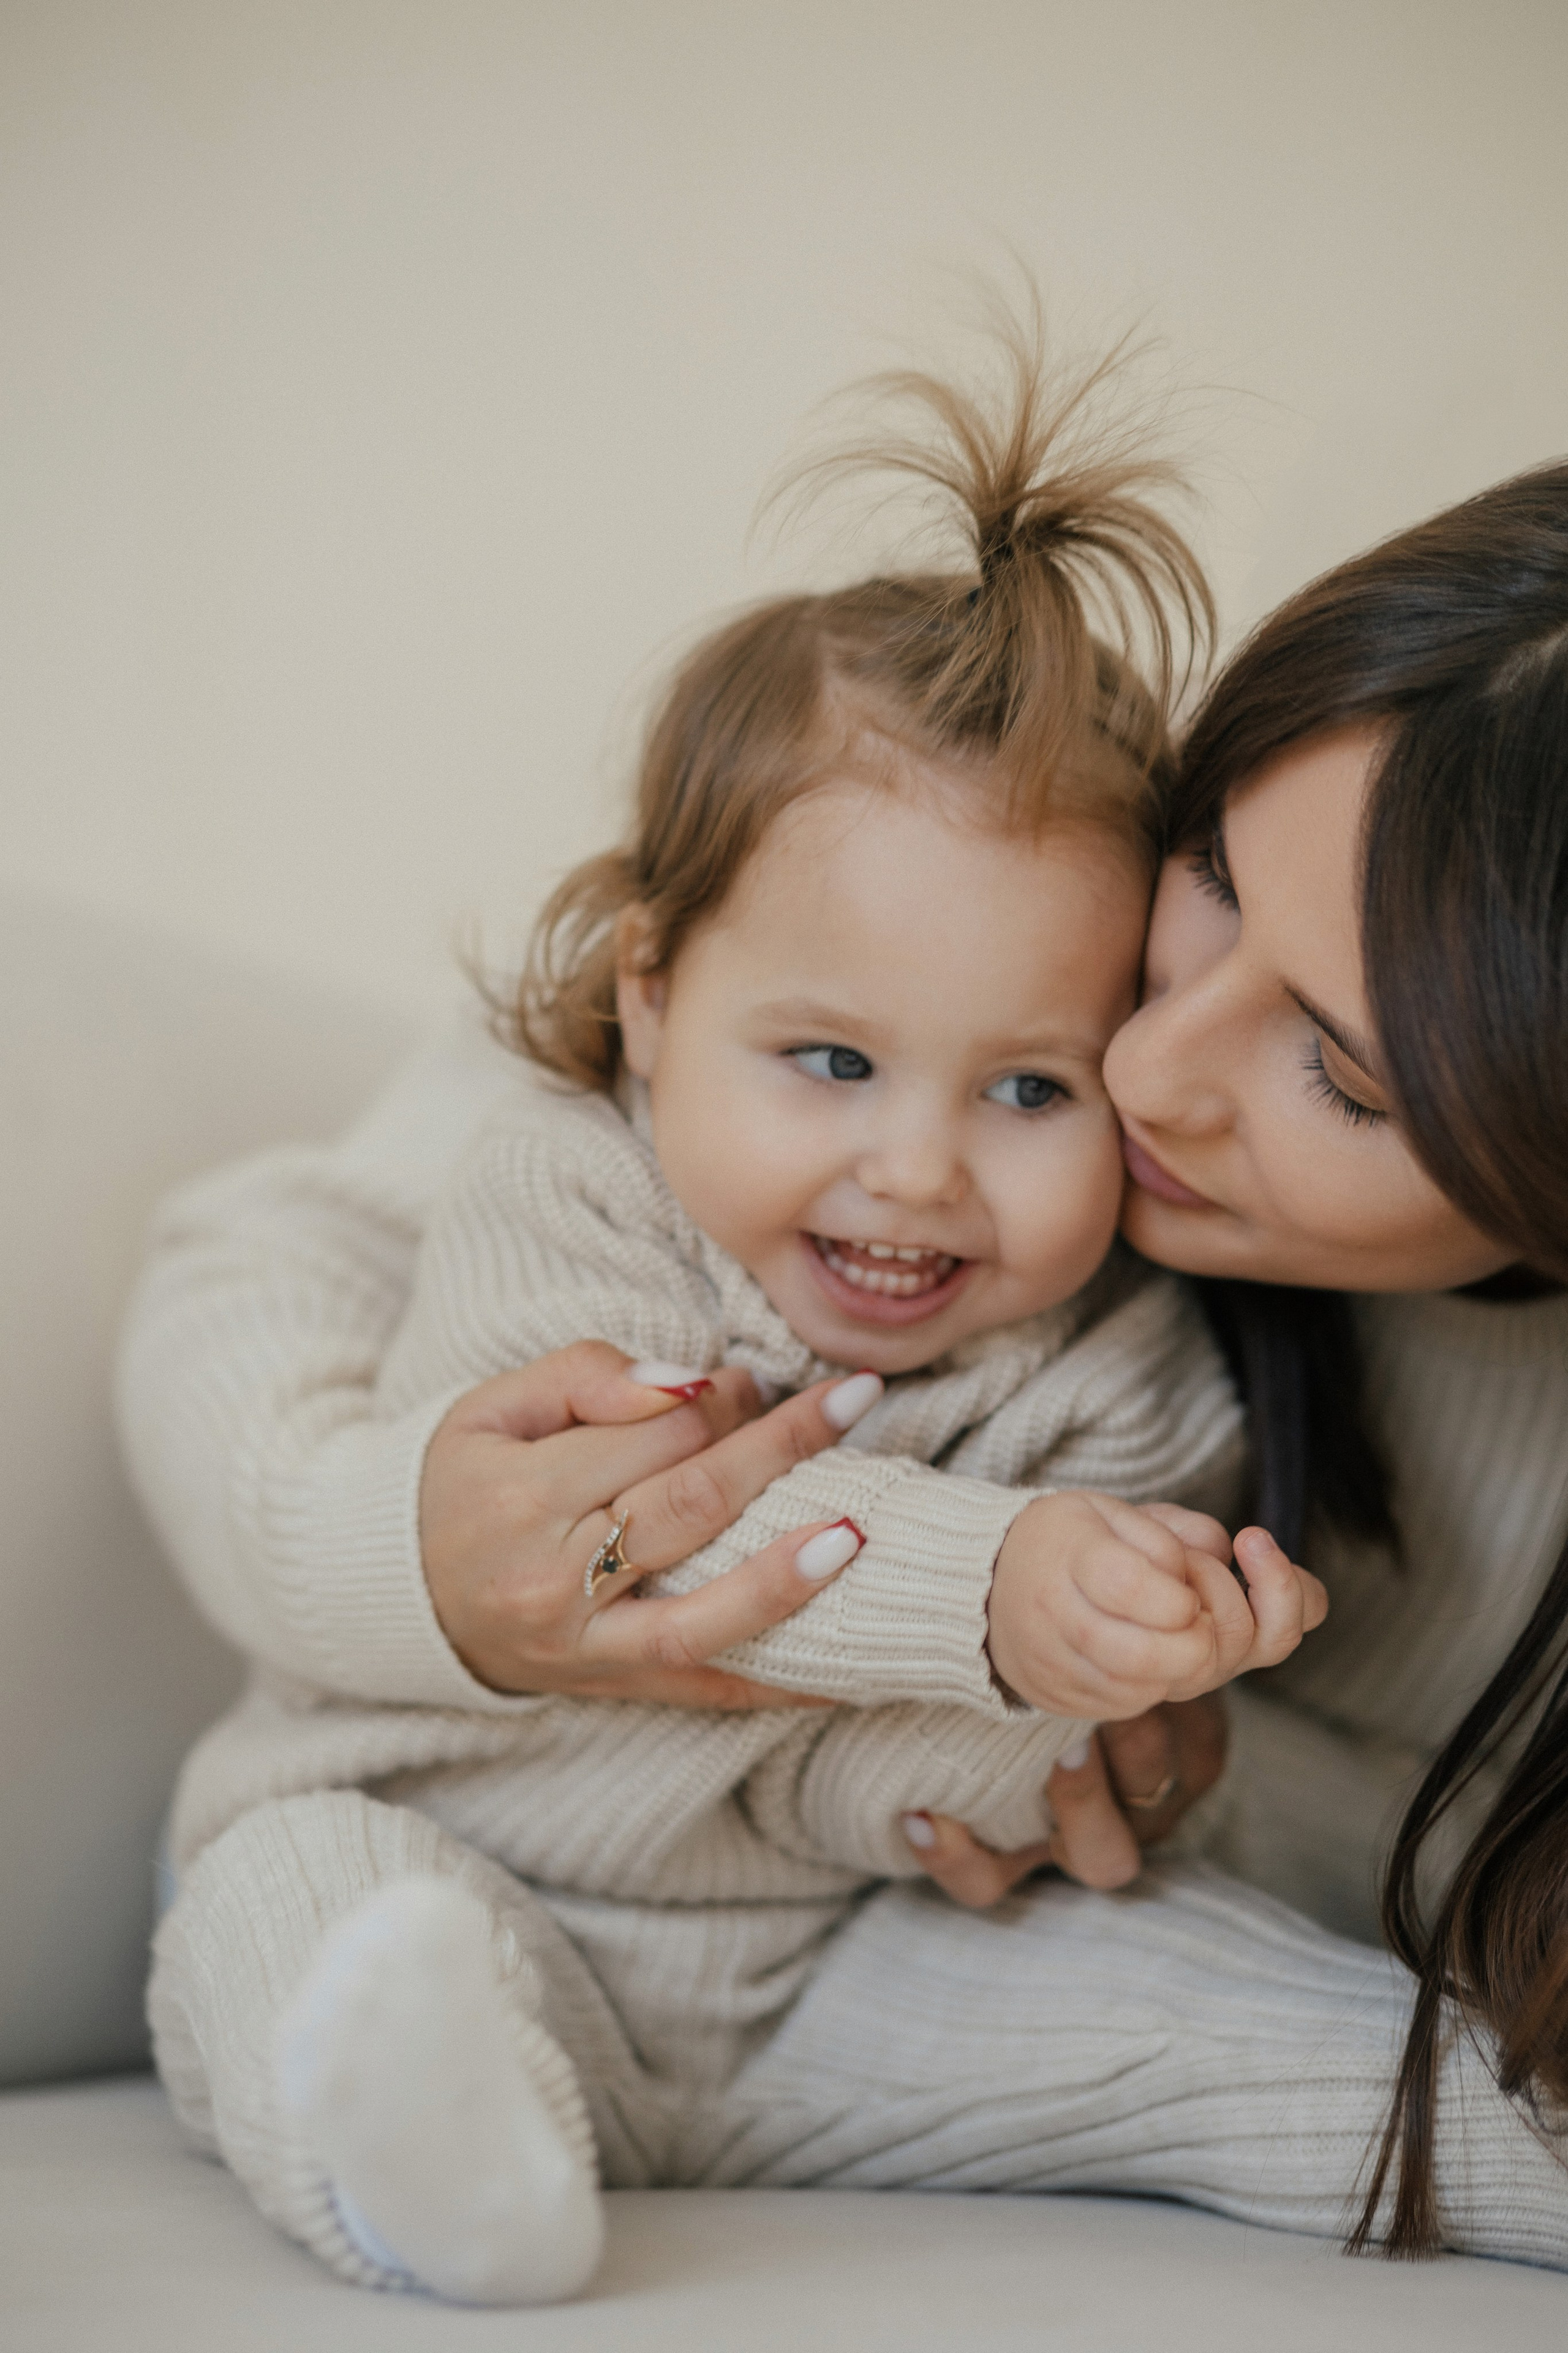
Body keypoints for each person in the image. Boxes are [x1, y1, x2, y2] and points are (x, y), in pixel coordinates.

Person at [121, 428, 1568, 2273]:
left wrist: (1113, 1727)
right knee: (311, 1903)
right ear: (647, 994)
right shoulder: (670, 1094)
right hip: (466, 1854)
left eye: (1344, 1071)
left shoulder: (1128, 1371)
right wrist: (391, 1543)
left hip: (839, 1953)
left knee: (1254, 2029)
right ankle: (444, 2165)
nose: (1142, 1065)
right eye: (1202, 874)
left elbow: (936, 1763)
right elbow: (263, 1270)